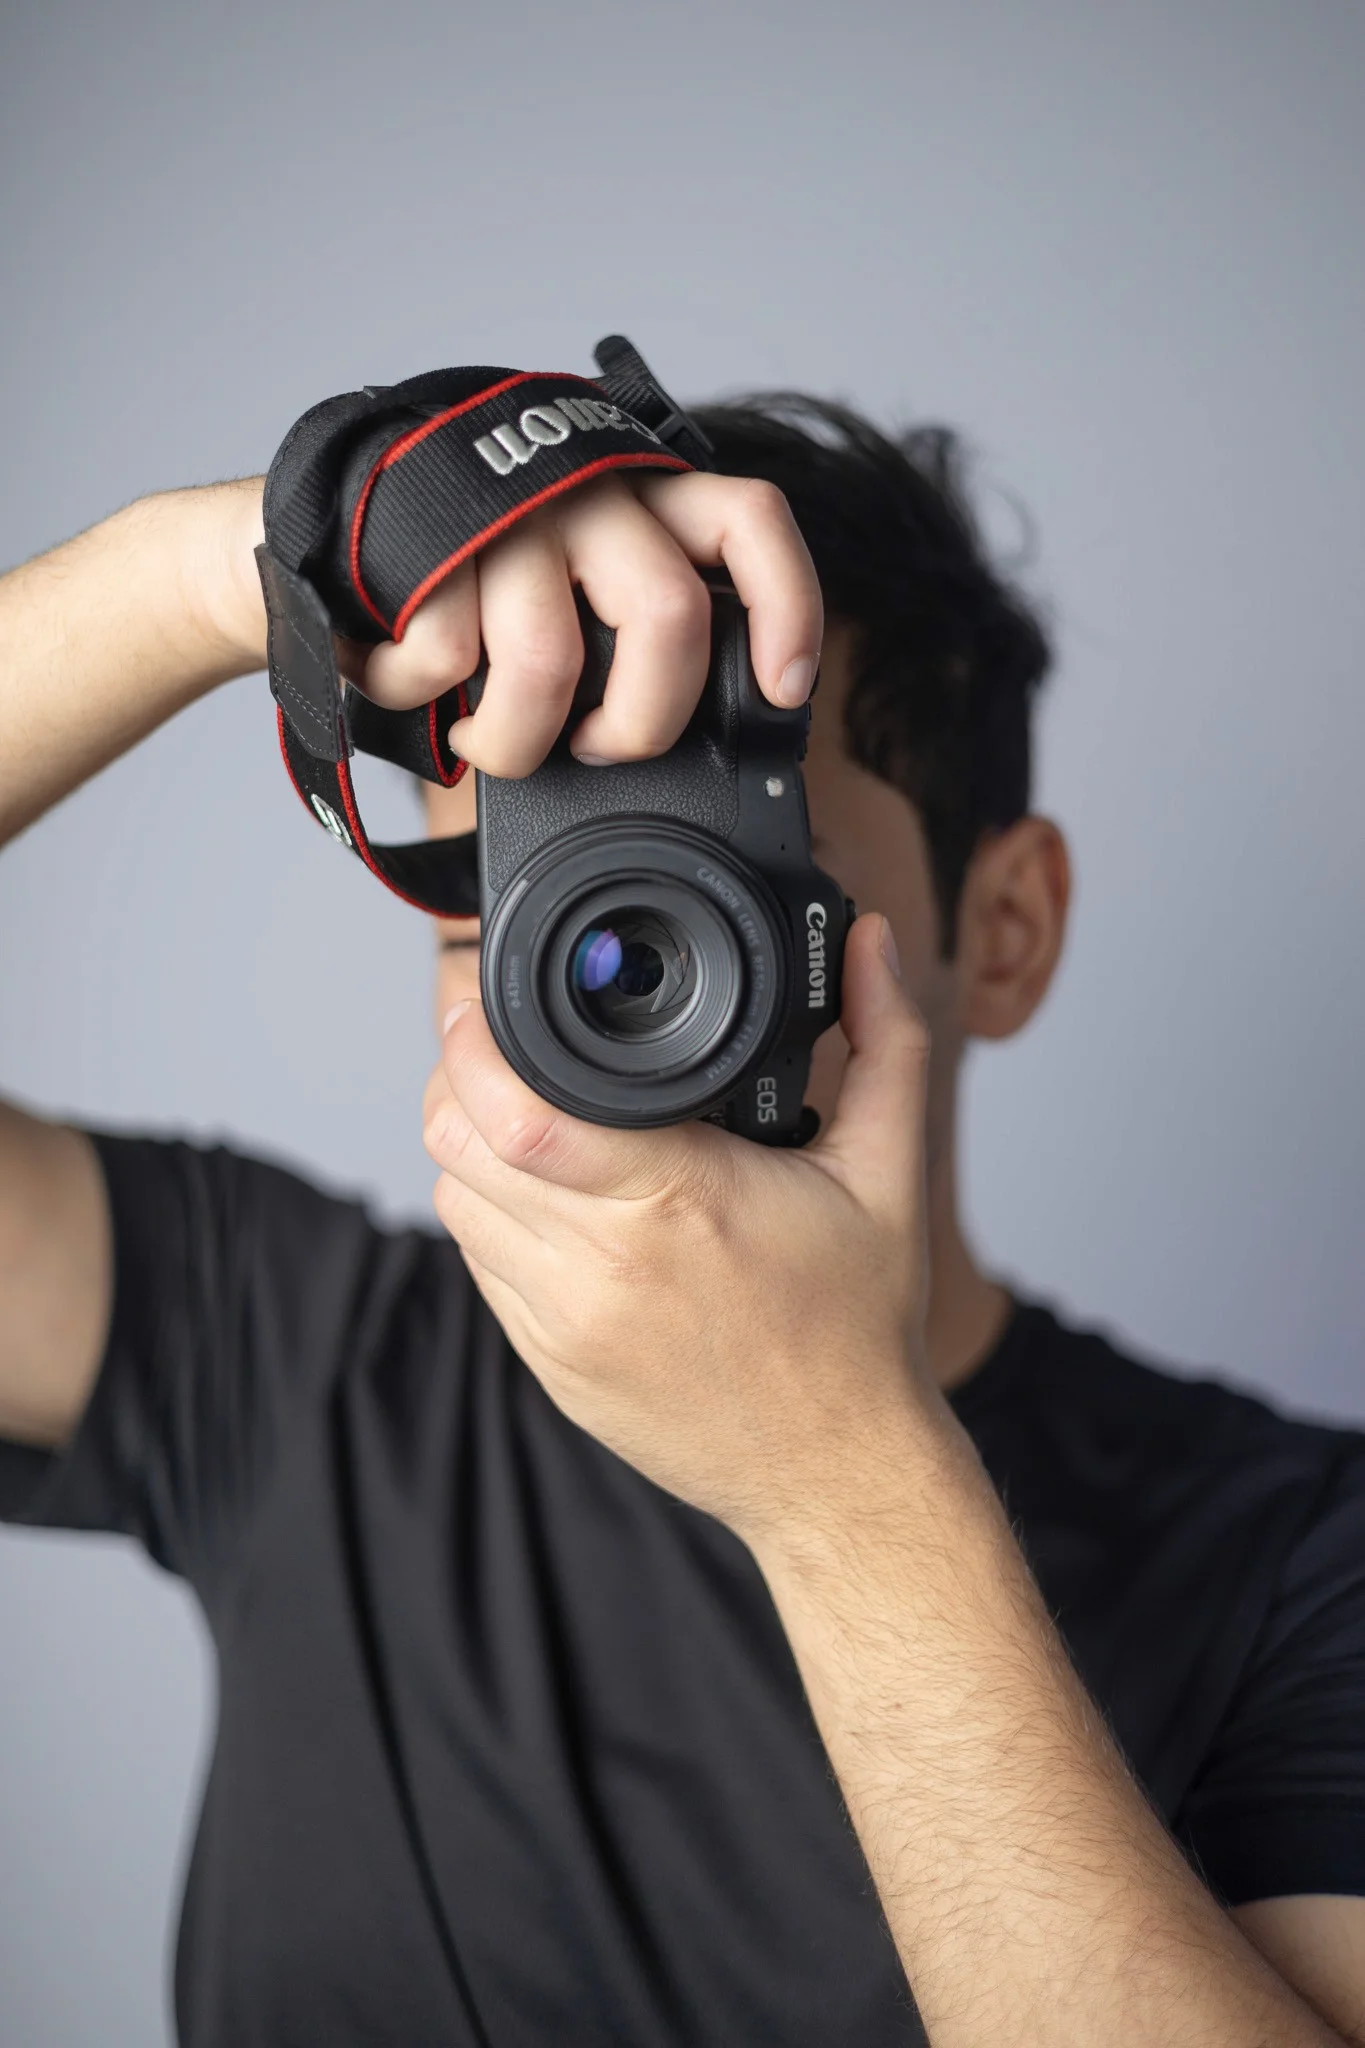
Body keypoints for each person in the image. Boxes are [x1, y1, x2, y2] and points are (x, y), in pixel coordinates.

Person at [2, 376, 1363, 2048]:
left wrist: (842, 1484)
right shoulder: (294, 1358)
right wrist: (246, 572)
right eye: (529, 906)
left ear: (1001, 929)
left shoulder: (1308, 1559)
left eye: (724, 866)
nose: (618, 977)